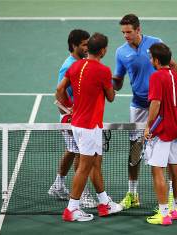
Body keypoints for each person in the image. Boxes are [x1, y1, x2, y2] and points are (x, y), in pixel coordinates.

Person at [112, 13, 177, 210]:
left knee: (164, 153)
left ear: (138, 29)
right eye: (123, 32)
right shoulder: (120, 52)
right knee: (135, 150)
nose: (125, 35)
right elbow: (118, 81)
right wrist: (107, 82)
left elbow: (173, 66)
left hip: (160, 105)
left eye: (129, 32)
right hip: (139, 105)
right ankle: (132, 194)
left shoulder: (155, 43)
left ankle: (169, 201)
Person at [56, 32, 123, 222]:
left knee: (94, 163)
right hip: (89, 126)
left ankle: (104, 204)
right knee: (85, 167)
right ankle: (72, 209)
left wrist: (69, 106)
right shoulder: (103, 71)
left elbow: (60, 89)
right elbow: (110, 97)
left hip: (77, 122)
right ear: (103, 50)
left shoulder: (76, 65)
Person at [48, 29, 97, 208]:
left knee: (71, 149)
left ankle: (58, 185)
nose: (87, 47)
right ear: (74, 45)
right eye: (84, 44)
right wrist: (70, 113)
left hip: (79, 116)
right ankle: (82, 194)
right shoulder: (68, 65)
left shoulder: (82, 62)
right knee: (80, 153)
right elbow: (59, 92)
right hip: (71, 118)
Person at [144, 42, 177, 225]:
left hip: (162, 130)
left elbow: (155, 103)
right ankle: (175, 210)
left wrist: (148, 126)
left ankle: (163, 214)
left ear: (155, 60)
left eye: (151, 58)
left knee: (157, 170)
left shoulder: (156, 77)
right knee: (176, 169)